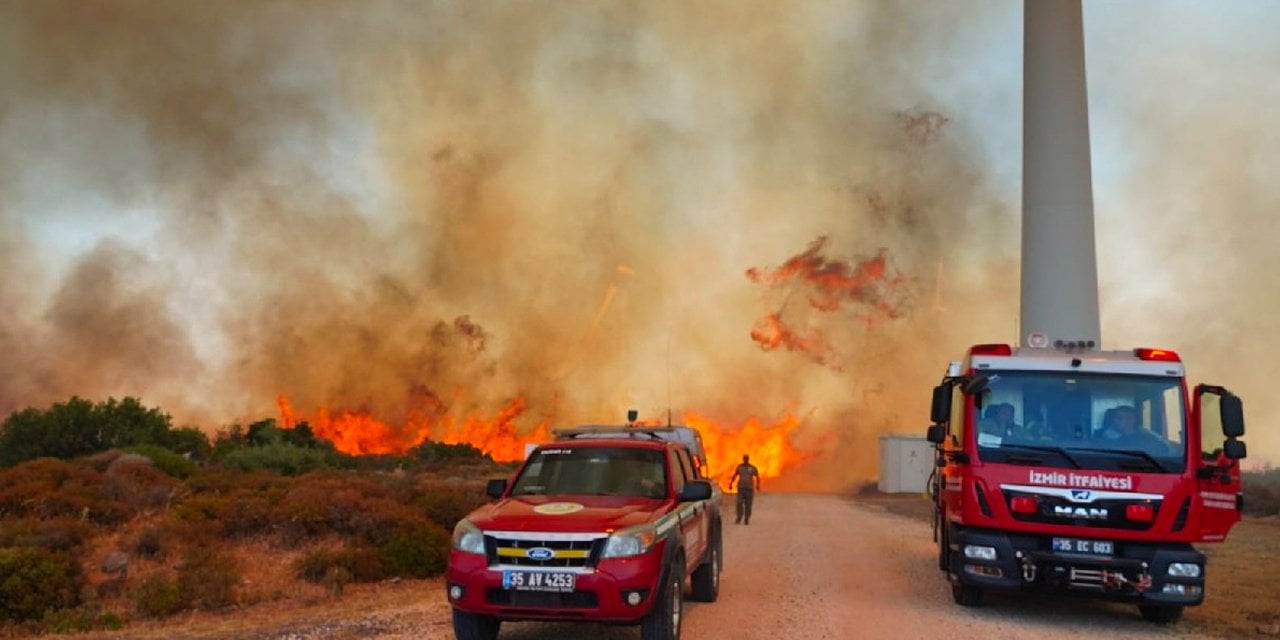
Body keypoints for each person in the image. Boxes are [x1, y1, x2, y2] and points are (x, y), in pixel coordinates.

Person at [729, 454, 761, 525]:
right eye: (744, 459)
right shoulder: (740, 467)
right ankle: (739, 517)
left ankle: (746, 518)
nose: (745, 460)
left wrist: (757, 485)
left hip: (749, 489)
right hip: (741, 489)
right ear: (743, 459)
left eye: (746, 459)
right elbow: (735, 475)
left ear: (748, 459)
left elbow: (757, 476)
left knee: (748, 505)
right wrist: (731, 483)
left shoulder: (752, 468)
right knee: (739, 503)